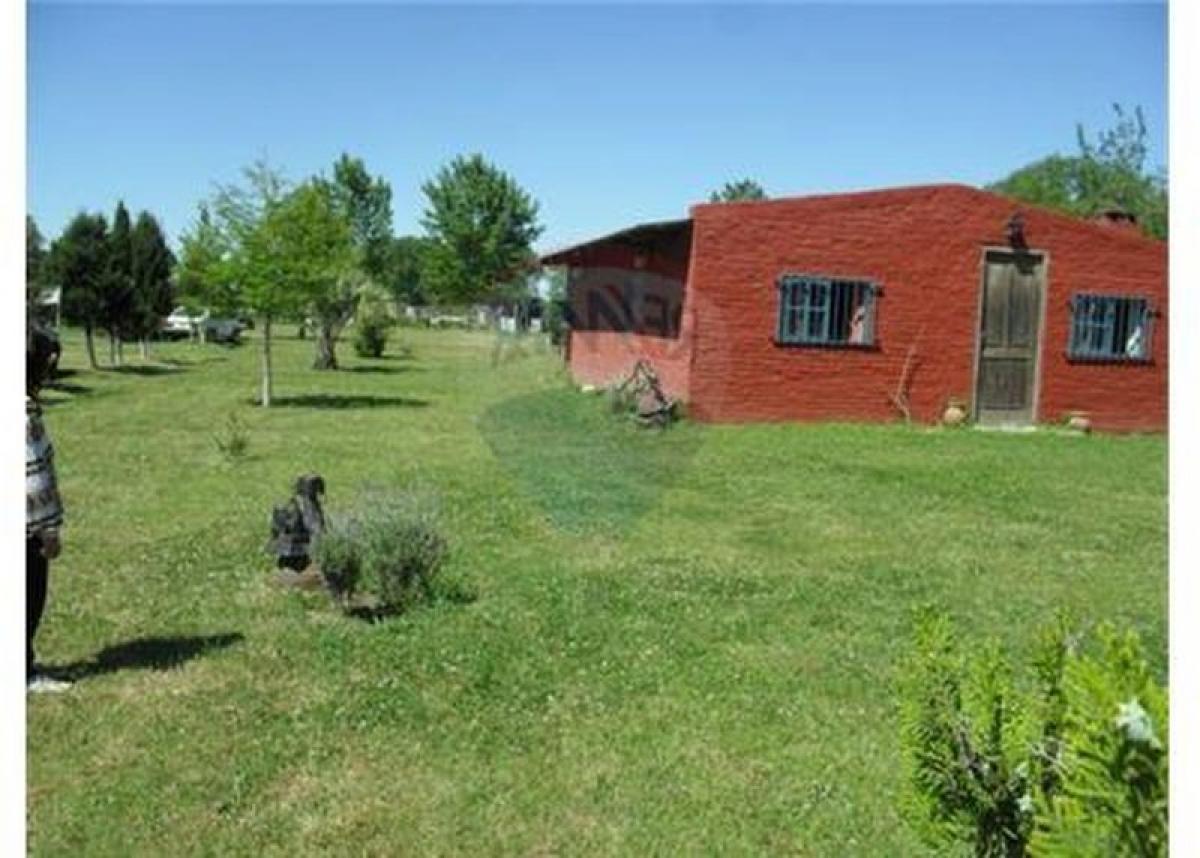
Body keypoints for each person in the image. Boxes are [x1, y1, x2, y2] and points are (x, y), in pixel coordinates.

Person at [27, 325, 70, 693]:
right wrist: (49, 531)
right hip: (25, 532)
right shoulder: (24, 414)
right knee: (27, 597)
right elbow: (33, 477)